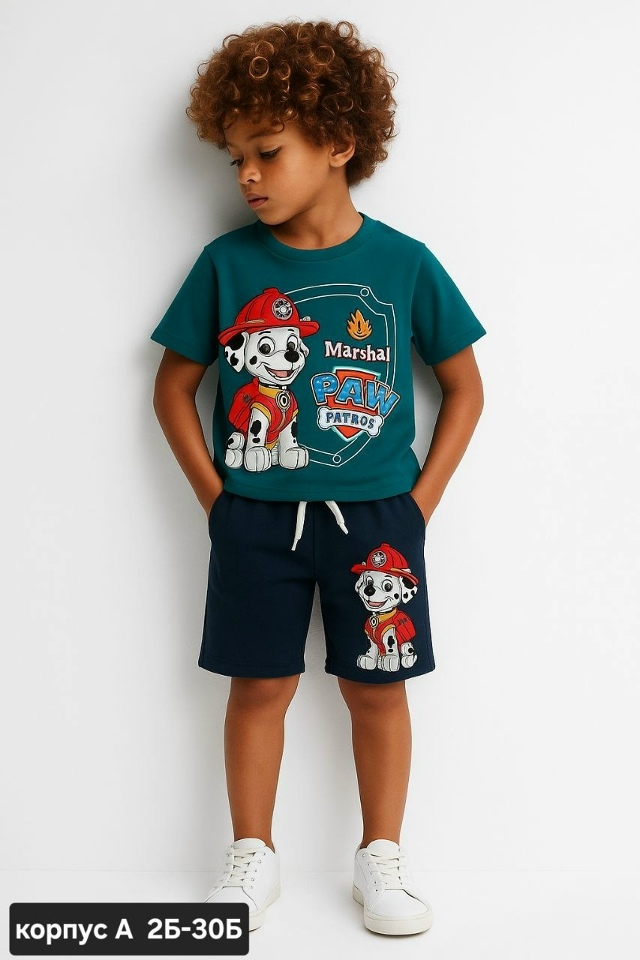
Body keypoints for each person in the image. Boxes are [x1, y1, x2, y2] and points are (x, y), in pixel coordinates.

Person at [150, 19, 486, 936]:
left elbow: (464, 387)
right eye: (235, 159)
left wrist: (418, 506)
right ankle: (252, 856)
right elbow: (174, 388)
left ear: (339, 143)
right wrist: (218, 502)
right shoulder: (227, 265)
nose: (247, 175)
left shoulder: (404, 263)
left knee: (378, 689)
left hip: (378, 522)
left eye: (267, 152)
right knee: (257, 687)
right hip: (255, 519)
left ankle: (382, 859)